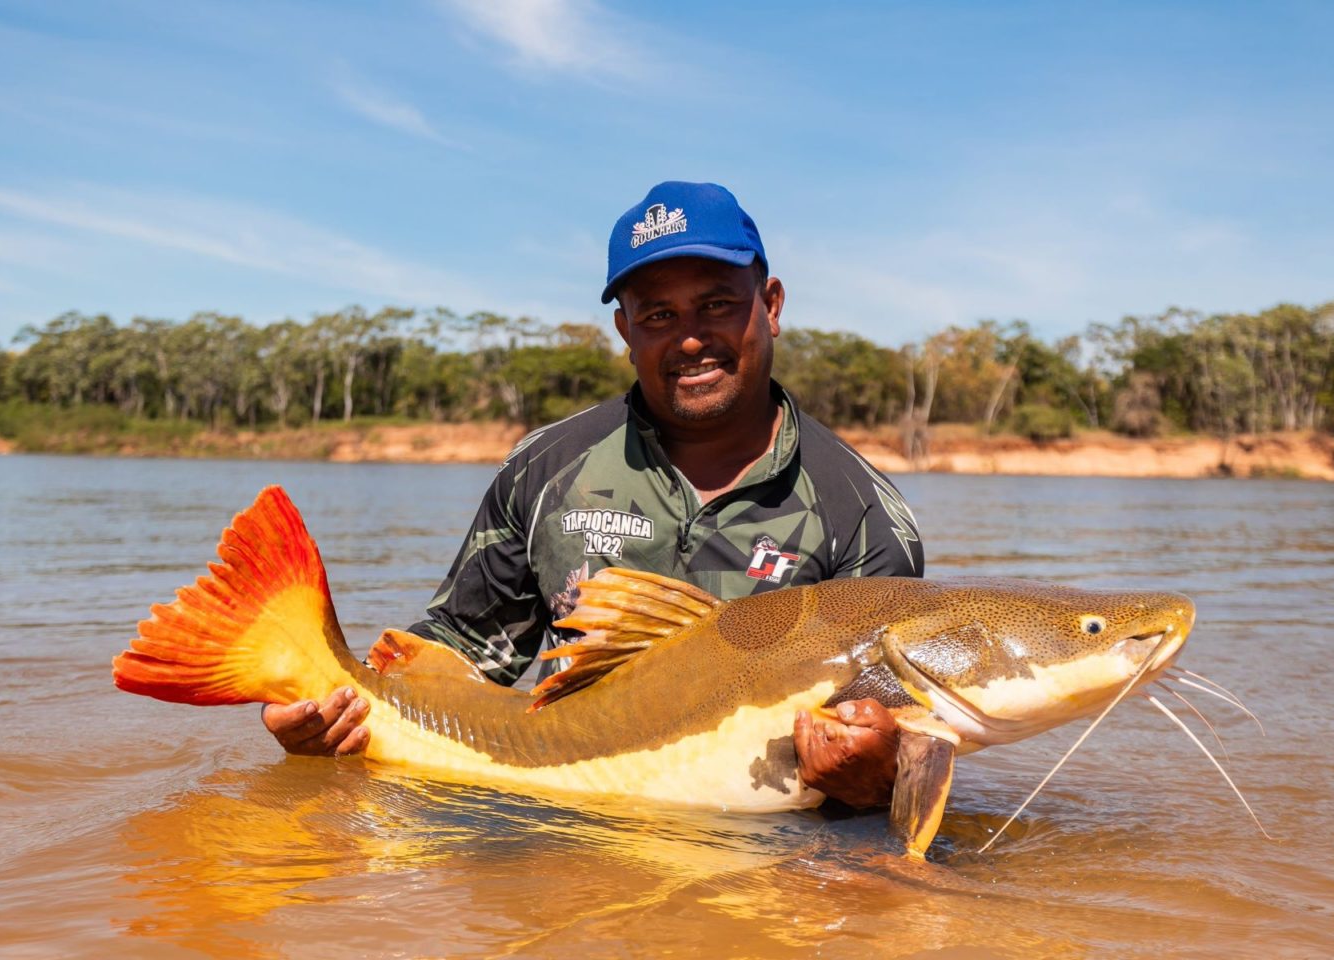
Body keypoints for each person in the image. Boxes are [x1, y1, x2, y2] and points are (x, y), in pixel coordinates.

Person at [263, 181, 925, 809]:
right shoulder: (545, 467)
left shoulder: (861, 514)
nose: (690, 337)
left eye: (717, 304)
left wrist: (882, 779)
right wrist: (325, 706)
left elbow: (899, 739)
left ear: (771, 304)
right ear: (624, 330)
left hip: (760, 851)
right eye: (659, 314)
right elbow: (464, 645)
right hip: (561, 818)